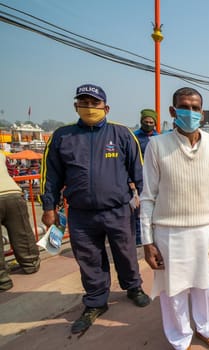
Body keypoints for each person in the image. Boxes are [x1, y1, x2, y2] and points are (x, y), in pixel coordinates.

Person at [40, 84, 149, 334]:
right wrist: (49, 207)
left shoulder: (121, 135)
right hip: (81, 213)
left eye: (94, 103)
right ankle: (96, 301)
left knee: (126, 251)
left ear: (106, 107)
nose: (89, 107)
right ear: (76, 106)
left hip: (118, 209)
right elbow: (51, 177)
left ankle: (133, 287)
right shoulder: (62, 137)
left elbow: (139, 172)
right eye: (84, 102)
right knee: (89, 259)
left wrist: (145, 200)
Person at [140, 87, 209, 350]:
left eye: (195, 108)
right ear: (172, 111)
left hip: (205, 230)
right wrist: (147, 241)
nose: (189, 113)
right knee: (173, 290)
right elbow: (148, 197)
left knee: (204, 287)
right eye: (184, 107)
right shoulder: (157, 145)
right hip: (168, 232)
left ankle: (206, 328)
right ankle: (180, 338)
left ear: (202, 113)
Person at [0, 152, 40, 292]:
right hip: (13, 193)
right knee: (22, 233)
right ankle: (31, 264)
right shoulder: (1, 154)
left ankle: (3, 280)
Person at [132, 108, 160, 246]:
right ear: (141, 121)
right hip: (139, 179)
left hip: (156, 178)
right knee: (139, 210)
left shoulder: (158, 137)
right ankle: (139, 238)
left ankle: (154, 236)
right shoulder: (134, 138)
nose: (148, 124)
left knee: (156, 208)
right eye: (146, 121)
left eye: (151, 122)